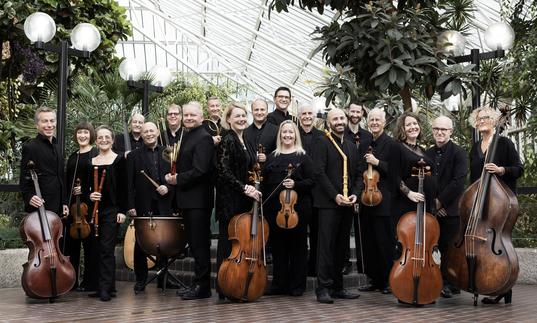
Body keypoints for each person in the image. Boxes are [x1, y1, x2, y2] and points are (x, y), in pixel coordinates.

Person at [468, 106, 523, 305]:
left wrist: (501, 169)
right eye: (478, 118)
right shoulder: (475, 147)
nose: (481, 121)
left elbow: (518, 169)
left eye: (485, 118)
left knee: (501, 243)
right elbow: (473, 177)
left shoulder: (505, 143)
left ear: (494, 120)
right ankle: (486, 282)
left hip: (500, 204)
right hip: (481, 201)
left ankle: (504, 286)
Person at [165, 102, 215, 300]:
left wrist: (177, 179)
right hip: (188, 200)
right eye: (186, 115)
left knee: (200, 245)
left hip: (198, 201)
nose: (189, 118)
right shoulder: (188, 135)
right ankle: (197, 284)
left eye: (193, 115)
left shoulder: (204, 138)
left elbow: (201, 170)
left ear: (202, 117)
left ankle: (203, 287)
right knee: (194, 245)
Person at [312, 108, 360, 304]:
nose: (339, 121)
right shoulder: (321, 142)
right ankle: (323, 288)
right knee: (325, 247)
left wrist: (355, 194)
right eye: (335, 119)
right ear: (328, 123)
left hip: (347, 204)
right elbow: (319, 172)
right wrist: (335, 196)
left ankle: (337, 287)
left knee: (341, 248)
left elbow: (358, 174)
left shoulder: (350, 146)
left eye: (342, 118)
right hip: (328, 204)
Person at [215, 103, 262, 300]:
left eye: (244, 116)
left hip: (245, 199)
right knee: (228, 246)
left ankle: (239, 283)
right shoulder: (228, 140)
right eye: (237, 116)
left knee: (240, 244)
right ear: (228, 120)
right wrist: (244, 188)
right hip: (231, 200)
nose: (241, 119)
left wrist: (254, 185)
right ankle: (224, 286)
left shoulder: (247, 141)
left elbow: (251, 169)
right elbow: (223, 171)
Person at [262, 121, 315, 296]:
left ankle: (297, 285)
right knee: (278, 248)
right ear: (280, 135)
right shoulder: (272, 156)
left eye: (291, 132)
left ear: (295, 135)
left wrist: (296, 184)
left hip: (297, 210)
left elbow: (311, 182)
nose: (287, 135)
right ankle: (279, 284)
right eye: (284, 132)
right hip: (275, 211)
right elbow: (264, 182)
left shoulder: (304, 156)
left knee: (298, 247)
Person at [127, 122, 174, 292]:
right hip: (142, 204)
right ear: (142, 133)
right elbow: (129, 183)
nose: (148, 134)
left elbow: (176, 176)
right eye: (145, 131)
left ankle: (164, 278)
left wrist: (168, 188)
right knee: (140, 243)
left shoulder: (167, 152)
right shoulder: (133, 155)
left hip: (164, 202)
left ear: (157, 132)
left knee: (164, 241)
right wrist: (130, 205)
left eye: (151, 131)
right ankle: (141, 279)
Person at [425, 116, 467, 298]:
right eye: (436, 129)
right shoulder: (427, 153)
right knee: (436, 246)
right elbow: (425, 181)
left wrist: (440, 201)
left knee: (450, 248)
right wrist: (434, 203)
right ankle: (440, 281)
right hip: (434, 208)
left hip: (451, 209)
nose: (440, 132)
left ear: (451, 131)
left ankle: (451, 284)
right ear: (433, 130)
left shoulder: (459, 153)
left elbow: (458, 182)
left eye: (444, 129)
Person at [357, 108, 397, 295]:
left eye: (377, 120)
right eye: (371, 120)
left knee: (384, 242)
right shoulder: (364, 143)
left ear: (384, 122)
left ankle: (388, 280)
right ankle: (373, 279)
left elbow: (396, 171)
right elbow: (359, 170)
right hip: (366, 198)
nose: (374, 122)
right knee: (369, 242)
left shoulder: (391, 144)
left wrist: (377, 161)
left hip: (384, 200)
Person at [88, 125, 127, 301]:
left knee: (106, 248)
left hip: (112, 210)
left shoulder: (119, 160)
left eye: (107, 137)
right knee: (95, 248)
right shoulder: (92, 161)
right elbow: (86, 187)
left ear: (112, 140)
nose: (104, 140)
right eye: (100, 137)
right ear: (96, 141)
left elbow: (125, 188)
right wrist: (90, 194)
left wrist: (122, 210)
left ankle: (106, 288)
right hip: (95, 210)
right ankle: (103, 286)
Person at [64, 122, 99, 292]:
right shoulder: (73, 156)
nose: (82, 136)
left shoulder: (95, 154)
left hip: (88, 207)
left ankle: (90, 282)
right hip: (73, 208)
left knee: (90, 246)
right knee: (71, 247)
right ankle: (71, 281)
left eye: (85, 132)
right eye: (79, 132)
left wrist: (84, 191)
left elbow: (97, 181)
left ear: (91, 134)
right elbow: (67, 181)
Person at [20, 106, 69, 218]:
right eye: (44, 121)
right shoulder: (31, 147)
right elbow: (24, 179)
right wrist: (30, 197)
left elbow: (61, 176)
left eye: (52, 121)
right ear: (37, 125)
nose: (49, 125)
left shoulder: (57, 147)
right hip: (41, 206)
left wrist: (64, 202)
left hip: (59, 208)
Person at [342, 103, 373, 275]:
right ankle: (345, 262)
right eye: (352, 111)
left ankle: (364, 264)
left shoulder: (367, 135)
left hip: (366, 186)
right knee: (345, 227)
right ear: (347, 112)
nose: (355, 114)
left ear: (362, 113)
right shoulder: (341, 134)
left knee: (362, 226)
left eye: (358, 111)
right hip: (346, 185)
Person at [393, 111, 435, 225]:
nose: (413, 127)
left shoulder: (421, 149)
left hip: (425, 202)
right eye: (408, 125)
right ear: (402, 129)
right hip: (408, 202)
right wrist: (409, 193)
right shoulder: (397, 147)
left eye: (415, 123)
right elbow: (393, 175)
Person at [297, 104, 324, 277]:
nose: (307, 116)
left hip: (318, 190)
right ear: (299, 116)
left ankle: (314, 267)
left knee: (316, 231)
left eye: (310, 113)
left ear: (314, 116)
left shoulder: (322, 136)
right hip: (298, 191)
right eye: (304, 114)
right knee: (299, 231)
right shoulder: (293, 134)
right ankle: (299, 268)